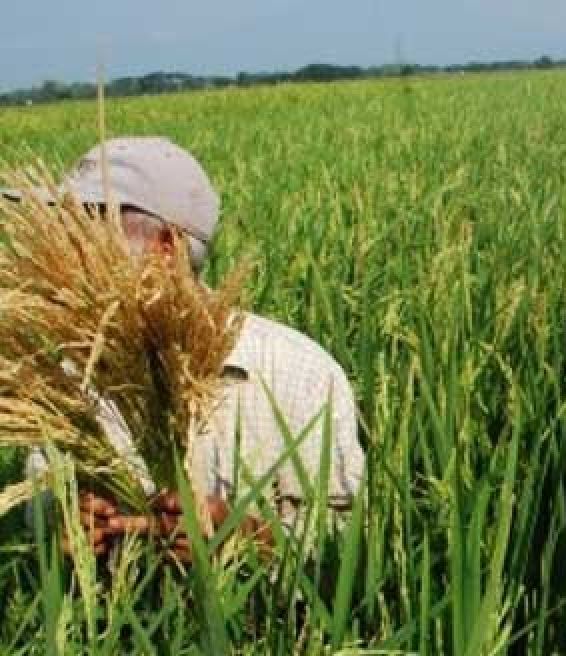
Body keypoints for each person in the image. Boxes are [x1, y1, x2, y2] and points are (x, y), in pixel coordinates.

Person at [7, 137, 365, 563]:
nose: (67, 260)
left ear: (166, 249)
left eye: (85, 238)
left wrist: (245, 534)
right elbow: (39, 512)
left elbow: (343, 536)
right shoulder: (69, 380)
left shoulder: (298, 373)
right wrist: (65, 526)